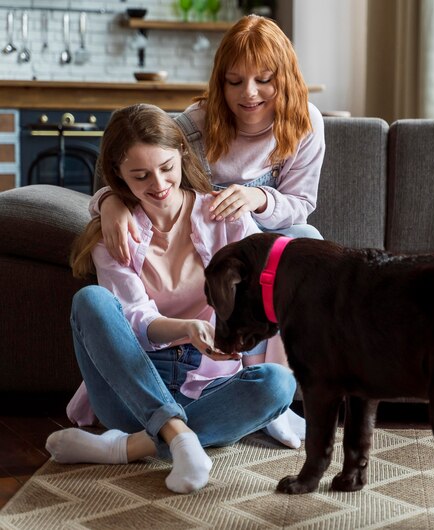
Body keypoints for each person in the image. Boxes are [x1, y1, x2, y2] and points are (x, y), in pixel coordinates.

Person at [45, 104, 305, 495]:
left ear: (182, 154)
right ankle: (179, 437)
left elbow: (265, 287)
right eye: (141, 175)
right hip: (133, 386)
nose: (159, 183)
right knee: (91, 301)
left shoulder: (225, 217)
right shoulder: (112, 233)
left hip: (210, 384)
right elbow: (133, 319)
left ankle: (129, 447)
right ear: (118, 175)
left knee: (278, 384)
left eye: (167, 167)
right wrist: (187, 329)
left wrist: (232, 336)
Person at [95, 14, 325, 266]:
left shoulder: (307, 122)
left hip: (270, 235)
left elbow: (301, 205)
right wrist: (110, 202)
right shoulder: (194, 125)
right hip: (205, 240)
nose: (249, 93)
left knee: (309, 237)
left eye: (264, 80)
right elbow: (132, 176)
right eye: (235, 81)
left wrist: (258, 199)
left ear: (285, 79)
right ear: (220, 82)